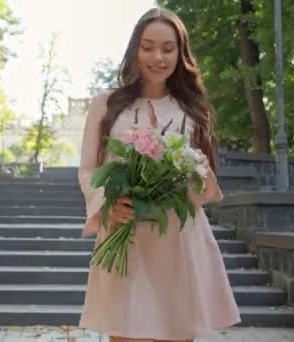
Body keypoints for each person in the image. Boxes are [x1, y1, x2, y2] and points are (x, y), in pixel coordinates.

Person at [77, 7, 241, 342]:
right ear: (134, 49)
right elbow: (89, 170)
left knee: (178, 330)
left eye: (168, 48)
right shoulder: (106, 105)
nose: (158, 56)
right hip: (125, 236)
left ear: (181, 54)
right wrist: (108, 202)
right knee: (124, 332)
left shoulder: (195, 111)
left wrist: (184, 170)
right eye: (148, 46)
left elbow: (205, 186)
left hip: (179, 240)